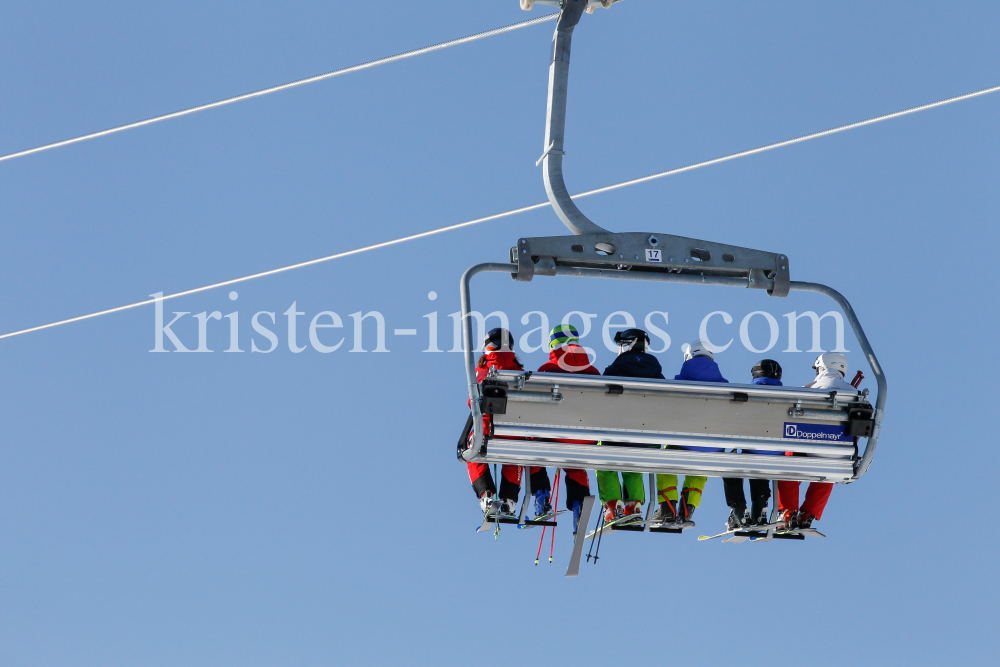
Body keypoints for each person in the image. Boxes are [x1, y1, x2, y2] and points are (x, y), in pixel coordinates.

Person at [775, 352, 858, 530]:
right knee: (829, 469)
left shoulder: (808, 389)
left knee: (788, 460)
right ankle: (808, 514)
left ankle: (788, 511)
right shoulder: (854, 392)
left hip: (812, 446)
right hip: (842, 452)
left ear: (821, 367)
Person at [652, 340, 728, 527]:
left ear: (688, 356)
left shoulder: (680, 381)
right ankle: (688, 510)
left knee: (665, 460)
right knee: (700, 467)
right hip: (713, 446)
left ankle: (667, 508)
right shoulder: (724, 385)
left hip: (685, 441)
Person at [530, 324, 598, 533]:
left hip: (557, 435)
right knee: (576, 464)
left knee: (531, 448)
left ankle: (542, 497)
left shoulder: (547, 370)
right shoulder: (594, 371)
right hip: (587, 438)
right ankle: (578, 505)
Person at [596, 329, 664, 523]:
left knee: (603, 461)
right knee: (633, 466)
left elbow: (600, 394)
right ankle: (633, 505)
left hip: (619, 435)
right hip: (648, 439)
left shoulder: (616, 368)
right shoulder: (656, 372)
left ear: (629, 344)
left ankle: (612, 505)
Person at [465, 328, 524, 517]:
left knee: (471, 449)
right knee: (515, 453)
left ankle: (486, 494)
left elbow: (472, 402)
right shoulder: (522, 374)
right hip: (515, 433)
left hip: (488, 432)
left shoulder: (482, 371)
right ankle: (510, 499)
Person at [721, 359, 783, 530]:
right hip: (778, 452)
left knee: (732, 462)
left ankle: (739, 508)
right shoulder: (789, 395)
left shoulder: (747, 394)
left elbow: (734, 424)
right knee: (761, 460)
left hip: (754, 448)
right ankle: (760, 507)